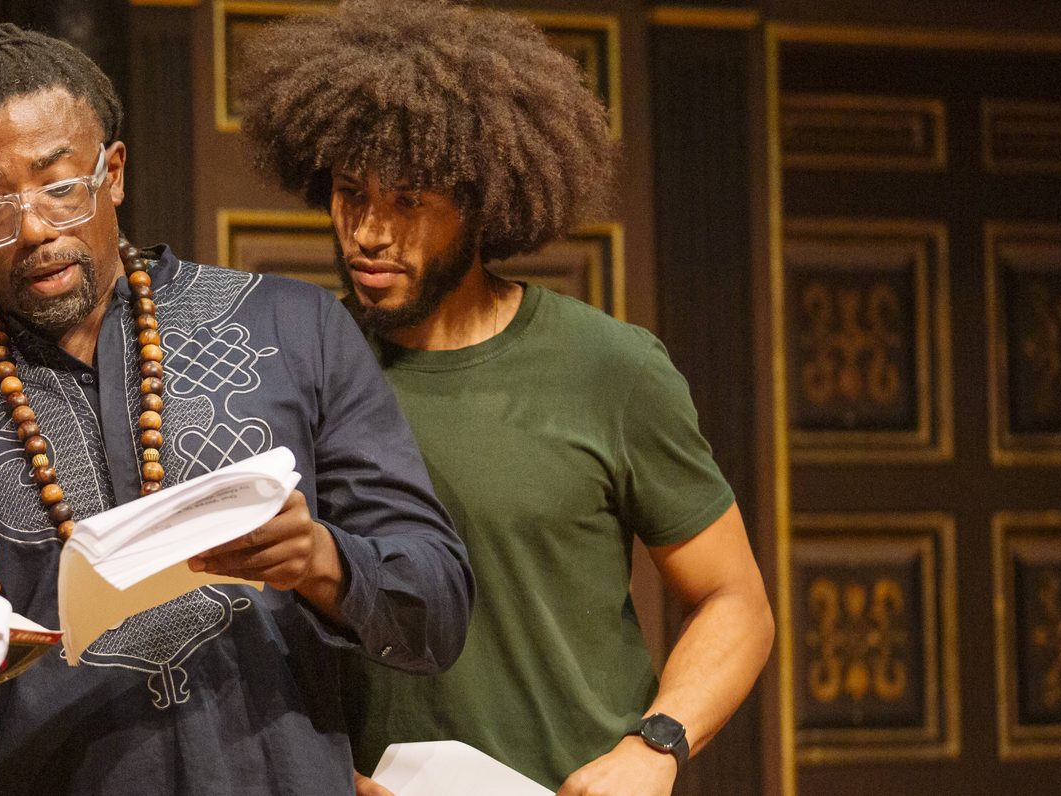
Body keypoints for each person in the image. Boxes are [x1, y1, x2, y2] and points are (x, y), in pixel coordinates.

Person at [0, 24, 473, 795]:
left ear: (115, 173)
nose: (33, 229)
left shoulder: (291, 330)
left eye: (60, 187)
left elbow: (436, 610)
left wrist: (321, 561)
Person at [238, 2, 776, 793]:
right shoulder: (298, 371)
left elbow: (736, 601)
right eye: (351, 193)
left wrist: (653, 750)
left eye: (410, 201)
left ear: (482, 202)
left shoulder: (609, 368)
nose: (370, 233)